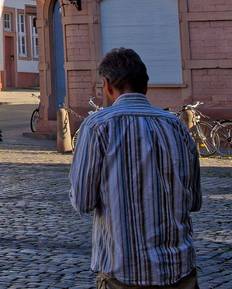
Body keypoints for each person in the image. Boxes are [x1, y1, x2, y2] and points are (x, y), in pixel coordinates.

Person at [69, 48, 202, 289]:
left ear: (108, 86)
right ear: (146, 87)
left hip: (124, 273)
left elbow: (83, 201)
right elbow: (193, 201)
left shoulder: (98, 126)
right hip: (179, 271)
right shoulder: (176, 126)